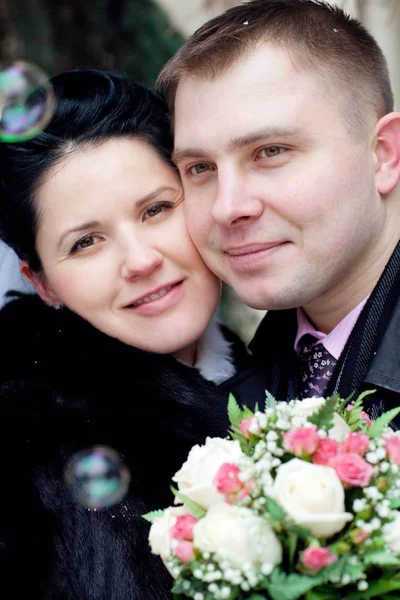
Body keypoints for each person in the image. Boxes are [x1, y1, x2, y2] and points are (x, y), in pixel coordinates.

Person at [0, 68, 264, 599]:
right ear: (42, 283)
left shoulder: (258, 355)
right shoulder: (29, 439)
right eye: (86, 242)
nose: (141, 261)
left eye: (157, 209)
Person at [158, 0, 400, 421]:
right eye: (200, 168)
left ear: (383, 155)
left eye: (270, 152)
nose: (228, 207)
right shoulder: (249, 378)